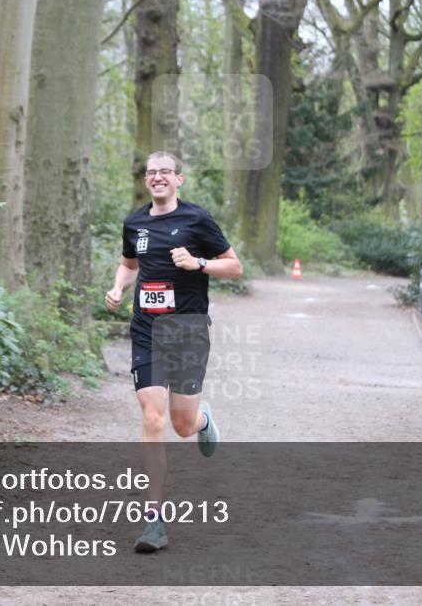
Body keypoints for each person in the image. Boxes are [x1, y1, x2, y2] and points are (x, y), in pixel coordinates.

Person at [104, 151, 243, 552]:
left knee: (181, 425)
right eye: (152, 172)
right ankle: (154, 521)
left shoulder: (197, 219)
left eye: (165, 172)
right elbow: (129, 263)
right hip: (147, 330)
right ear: (146, 180)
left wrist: (198, 263)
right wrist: (118, 287)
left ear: (178, 179)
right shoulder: (135, 222)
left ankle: (203, 420)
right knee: (153, 417)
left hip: (187, 330)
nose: (158, 177)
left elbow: (234, 267)